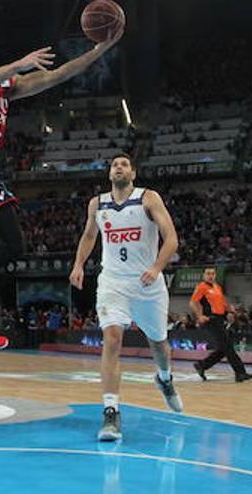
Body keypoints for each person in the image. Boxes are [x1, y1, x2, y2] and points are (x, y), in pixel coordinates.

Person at [0, 26, 123, 344]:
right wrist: (18, 64)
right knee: (14, 244)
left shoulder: (4, 85)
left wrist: (98, 51)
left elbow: (56, 76)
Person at [69, 154, 182, 443]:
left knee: (159, 344)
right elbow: (88, 236)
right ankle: (111, 412)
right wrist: (79, 264)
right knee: (112, 338)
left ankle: (165, 379)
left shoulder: (149, 198)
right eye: (114, 165)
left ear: (133, 172)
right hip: (113, 282)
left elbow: (171, 238)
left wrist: (157, 267)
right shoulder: (98, 203)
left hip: (147, 283)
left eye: (124, 164)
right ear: (109, 174)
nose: (118, 167)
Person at [190, 268, 252, 382]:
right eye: (208, 274)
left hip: (219, 319)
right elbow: (193, 302)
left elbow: (223, 303)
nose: (211, 276)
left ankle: (202, 365)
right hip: (210, 320)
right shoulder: (202, 287)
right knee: (227, 346)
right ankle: (240, 373)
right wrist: (199, 316)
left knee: (225, 347)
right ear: (204, 275)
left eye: (213, 274)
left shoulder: (217, 287)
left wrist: (231, 309)